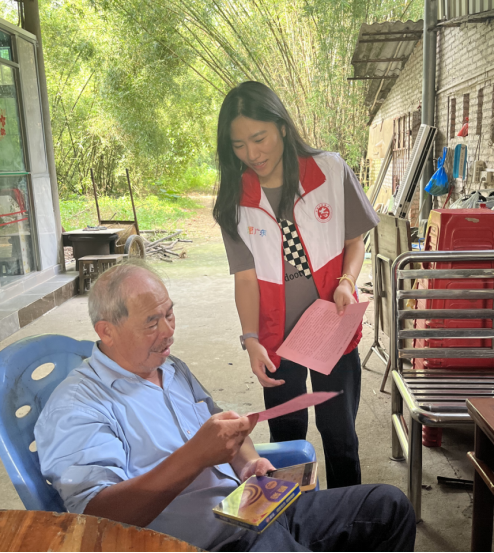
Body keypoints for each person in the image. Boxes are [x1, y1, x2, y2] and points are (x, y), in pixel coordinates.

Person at [34, 263, 415, 552]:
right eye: (152, 322)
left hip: (252, 512)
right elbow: (97, 517)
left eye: (169, 314)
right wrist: (195, 456)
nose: (168, 331)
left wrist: (247, 464)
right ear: (107, 331)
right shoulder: (78, 405)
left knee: (389, 506)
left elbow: (226, 430)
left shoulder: (170, 367)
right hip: (215, 544)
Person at [213, 81, 380, 489]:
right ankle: (296, 516)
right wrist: (251, 338)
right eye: (239, 145)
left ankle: (347, 514)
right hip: (276, 336)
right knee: (285, 440)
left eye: (259, 138)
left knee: (340, 436)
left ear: (283, 127)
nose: (252, 154)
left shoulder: (330, 171)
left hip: (332, 327)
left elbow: (354, 240)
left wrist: (346, 282)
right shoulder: (234, 199)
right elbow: (246, 279)